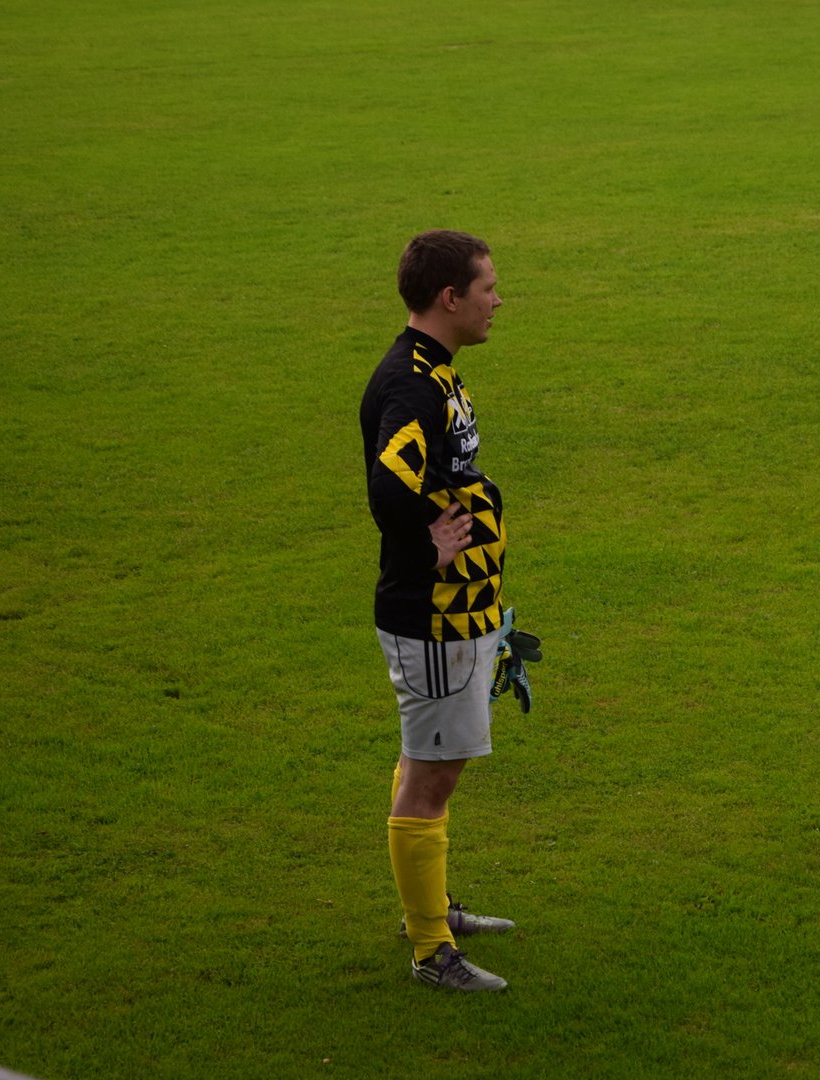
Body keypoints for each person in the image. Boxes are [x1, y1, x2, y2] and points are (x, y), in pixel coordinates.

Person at [359, 229, 516, 992]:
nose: (497, 301)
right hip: (433, 617)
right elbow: (389, 485)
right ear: (450, 297)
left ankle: (430, 906)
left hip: (458, 614)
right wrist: (431, 545)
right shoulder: (411, 384)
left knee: (428, 762)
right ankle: (430, 949)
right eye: (487, 288)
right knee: (433, 775)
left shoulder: (434, 370)